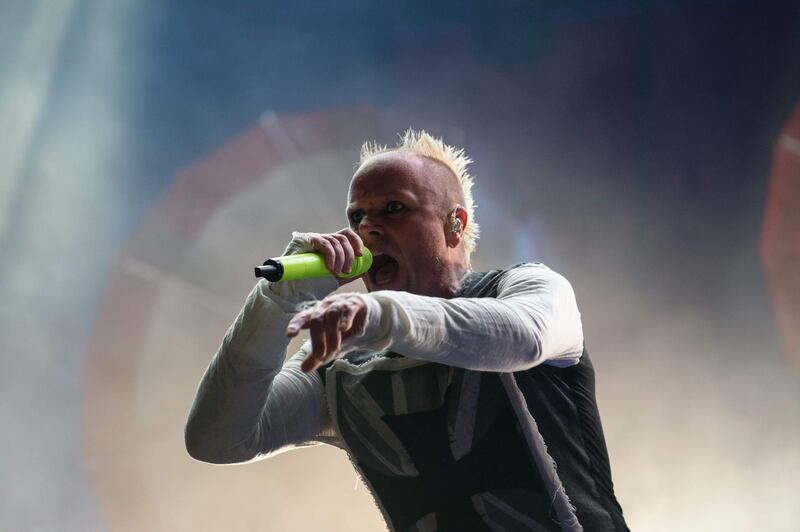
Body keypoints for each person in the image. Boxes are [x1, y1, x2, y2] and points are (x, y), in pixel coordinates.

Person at [185, 130, 629, 531]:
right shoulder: (342, 365)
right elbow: (219, 439)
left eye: (394, 209)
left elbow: (524, 337)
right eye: (357, 216)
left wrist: (378, 315)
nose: (367, 230)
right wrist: (274, 302)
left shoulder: (526, 287)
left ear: (455, 225)